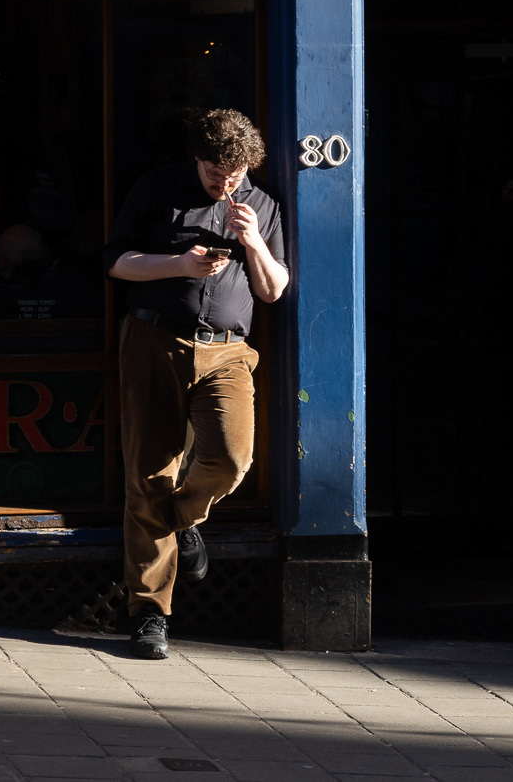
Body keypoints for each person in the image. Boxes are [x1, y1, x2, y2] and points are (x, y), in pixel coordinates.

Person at [104, 108, 287, 659]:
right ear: (197, 157)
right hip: (154, 341)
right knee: (149, 475)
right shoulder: (159, 188)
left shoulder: (262, 204)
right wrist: (179, 265)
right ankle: (150, 614)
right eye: (213, 170)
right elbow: (116, 263)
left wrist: (254, 243)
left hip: (228, 350)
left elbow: (273, 290)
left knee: (233, 459)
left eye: (233, 174)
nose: (222, 182)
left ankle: (185, 518)